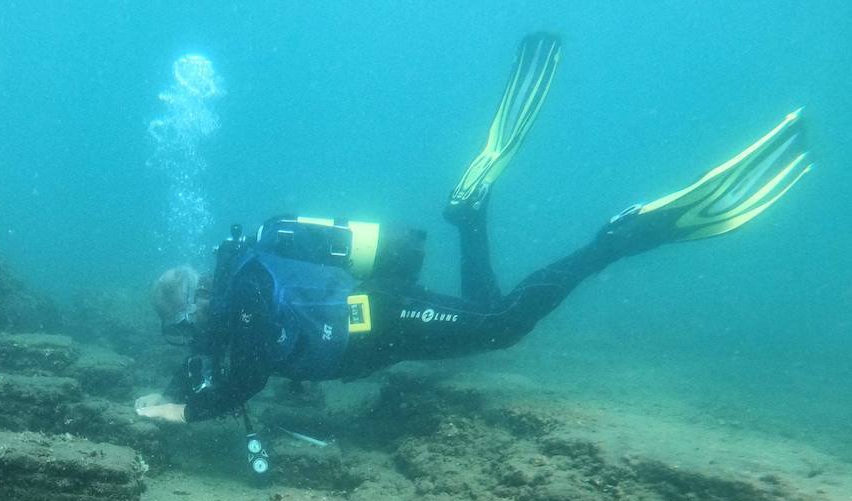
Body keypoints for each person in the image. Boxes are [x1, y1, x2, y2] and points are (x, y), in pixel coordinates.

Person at [136, 32, 811, 426]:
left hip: (384, 319)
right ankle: (470, 216)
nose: (189, 339)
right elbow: (228, 357)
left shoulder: (244, 300)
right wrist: (173, 388)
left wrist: (184, 413)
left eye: (183, 327)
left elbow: (247, 375)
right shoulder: (242, 285)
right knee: (491, 316)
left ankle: (617, 241)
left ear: (197, 302)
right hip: (378, 325)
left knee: (504, 327)